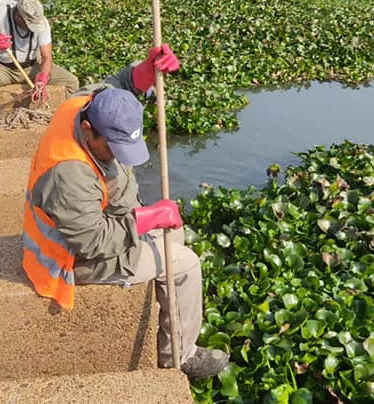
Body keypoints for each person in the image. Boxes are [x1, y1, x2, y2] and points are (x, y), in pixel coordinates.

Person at [21, 45, 229, 380]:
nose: (119, 156)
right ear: (88, 130)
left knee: (173, 234)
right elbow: (93, 241)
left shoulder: (87, 101)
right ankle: (179, 358)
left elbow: (123, 83)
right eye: (112, 148)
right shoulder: (68, 173)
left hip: (95, 218)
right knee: (185, 264)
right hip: (71, 258)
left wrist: (148, 67)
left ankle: (171, 313)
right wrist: (148, 218)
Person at [0, 0, 78, 115]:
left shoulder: (41, 22)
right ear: (18, 16)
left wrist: (42, 79)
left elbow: (46, 57)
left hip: (32, 68)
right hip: (1, 68)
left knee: (72, 82)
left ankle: (68, 116)